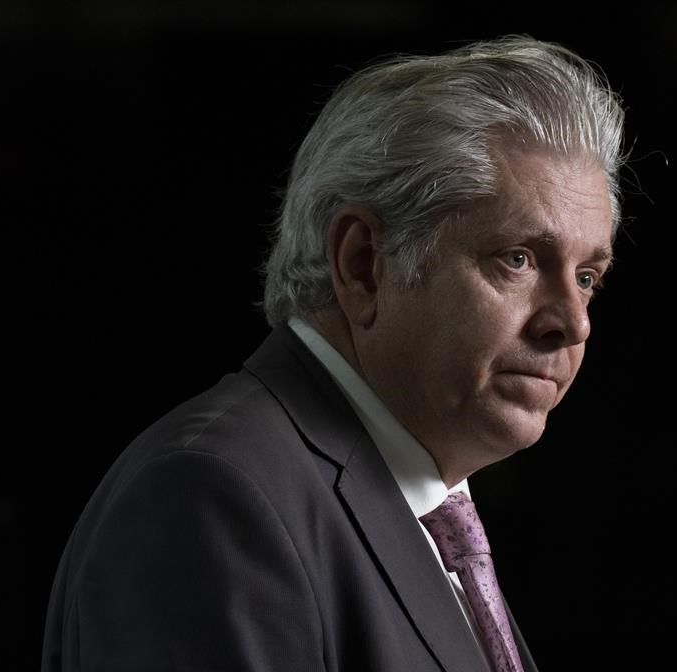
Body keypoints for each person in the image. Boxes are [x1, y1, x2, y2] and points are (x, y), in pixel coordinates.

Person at [42, 35, 626, 672]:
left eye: (588, 278)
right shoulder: (211, 497)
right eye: (517, 259)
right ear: (363, 265)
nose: (572, 324)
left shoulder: (429, 511)